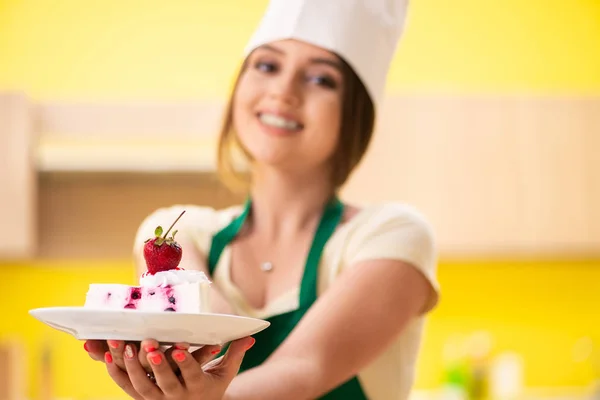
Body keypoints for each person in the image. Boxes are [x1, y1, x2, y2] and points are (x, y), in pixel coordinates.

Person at [84, 0, 440, 398]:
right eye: (267, 66)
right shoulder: (182, 233)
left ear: (354, 111)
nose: (283, 91)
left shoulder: (389, 235)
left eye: (322, 79)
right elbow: (209, 333)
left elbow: (304, 368)